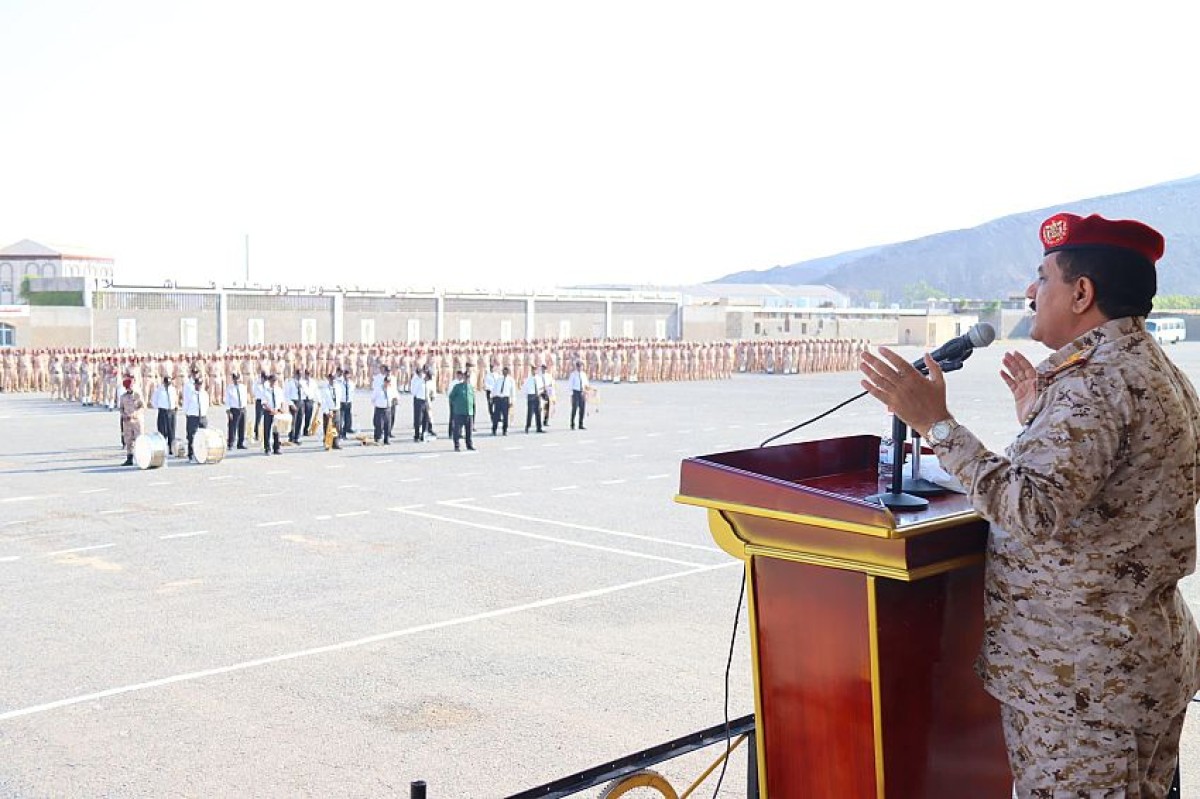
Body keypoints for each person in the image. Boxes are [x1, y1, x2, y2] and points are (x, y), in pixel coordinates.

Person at [858, 212, 1199, 798]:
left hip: (1083, 686)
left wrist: (935, 424)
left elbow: (1033, 512)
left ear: (1082, 292)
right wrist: (1037, 424)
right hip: (1123, 663)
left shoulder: (1094, 385)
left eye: (1043, 278)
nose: (1029, 291)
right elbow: (1119, 490)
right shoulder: (1145, 367)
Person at [117, 377, 145, 466]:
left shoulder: (137, 395)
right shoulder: (123, 397)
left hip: (137, 421)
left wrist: (135, 414)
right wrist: (124, 415)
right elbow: (121, 408)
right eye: (129, 387)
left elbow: (142, 407)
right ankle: (129, 458)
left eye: (131, 386)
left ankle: (142, 457)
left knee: (139, 439)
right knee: (128, 440)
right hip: (127, 421)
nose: (131, 388)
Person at [183, 375, 210, 462]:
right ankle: (191, 455)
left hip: (202, 416)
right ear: (194, 385)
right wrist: (187, 414)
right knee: (191, 436)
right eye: (197, 384)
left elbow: (206, 404)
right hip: (192, 416)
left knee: (204, 436)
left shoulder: (204, 394)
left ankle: (203, 454)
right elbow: (186, 404)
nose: (199, 386)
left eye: (200, 384)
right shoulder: (191, 394)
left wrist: (204, 414)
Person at [448, 369, 475, 451]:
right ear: (463, 377)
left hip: (469, 412)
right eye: (466, 377)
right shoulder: (458, 387)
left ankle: (469, 445)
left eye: (468, 377)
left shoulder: (471, 387)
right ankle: (457, 445)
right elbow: (451, 397)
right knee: (457, 430)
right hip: (459, 412)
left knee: (469, 431)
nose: (467, 379)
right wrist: (457, 405)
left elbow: (472, 399)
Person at [151, 375, 179, 455]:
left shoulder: (173, 389)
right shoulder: (158, 390)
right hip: (163, 411)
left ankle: (171, 448)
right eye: (166, 383)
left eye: (169, 383)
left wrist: (175, 407)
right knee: (162, 431)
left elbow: (175, 399)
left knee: (172, 431)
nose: (168, 385)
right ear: (164, 382)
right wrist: (160, 408)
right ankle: (162, 448)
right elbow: (154, 401)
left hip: (172, 411)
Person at [261, 374, 284, 455]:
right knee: (267, 430)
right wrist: (271, 410)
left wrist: (280, 409)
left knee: (276, 430)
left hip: (276, 412)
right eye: (272, 381)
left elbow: (281, 401)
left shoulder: (279, 390)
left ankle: (276, 448)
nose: (274, 382)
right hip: (268, 412)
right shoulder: (265, 390)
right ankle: (267, 448)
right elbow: (264, 403)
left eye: (275, 381)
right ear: (269, 381)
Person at [225, 372, 248, 449]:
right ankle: (230, 443)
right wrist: (228, 411)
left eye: (237, 379)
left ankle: (240, 443)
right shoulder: (229, 388)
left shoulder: (243, 387)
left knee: (242, 426)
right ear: (233, 379)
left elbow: (244, 397)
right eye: (235, 379)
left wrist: (244, 407)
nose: (236, 381)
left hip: (242, 408)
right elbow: (227, 400)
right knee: (232, 427)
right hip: (234, 409)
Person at [491, 366, 514, 436]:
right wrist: (492, 397)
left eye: (506, 371)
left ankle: (505, 430)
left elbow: (512, 392)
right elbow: (495, 388)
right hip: (498, 398)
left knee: (505, 416)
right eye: (504, 371)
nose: (505, 372)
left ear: (508, 372)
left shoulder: (511, 380)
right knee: (496, 416)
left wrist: (512, 401)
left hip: (505, 399)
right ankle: (494, 429)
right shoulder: (499, 379)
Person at [523, 366, 546, 433]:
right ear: (531, 371)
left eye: (535, 370)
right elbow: (525, 389)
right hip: (531, 396)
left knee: (538, 413)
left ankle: (539, 428)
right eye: (533, 370)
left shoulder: (539, 378)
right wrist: (527, 396)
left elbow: (541, 387)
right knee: (530, 413)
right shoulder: (528, 379)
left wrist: (541, 394)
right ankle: (527, 427)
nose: (534, 371)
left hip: (537, 396)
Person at [568, 359, 589, 430]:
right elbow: (570, 385)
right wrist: (571, 395)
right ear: (576, 367)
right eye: (578, 366)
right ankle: (572, 424)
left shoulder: (584, 374)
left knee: (582, 409)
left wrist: (586, 392)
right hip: (576, 392)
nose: (580, 368)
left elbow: (586, 384)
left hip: (582, 392)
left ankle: (581, 424)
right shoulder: (573, 374)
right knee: (574, 409)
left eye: (581, 366)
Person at [372, 375, 392, 445]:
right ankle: (377, 438)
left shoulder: (390, 389)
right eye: (386, 382)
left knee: (387, 425)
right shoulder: (378, 389)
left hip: (387, 408)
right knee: (379, 425)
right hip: (379, 409)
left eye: (388, 382)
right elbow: (373, 398)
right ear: (384, 382)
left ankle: (386, 439)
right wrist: (377, 405)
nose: (387, 383)